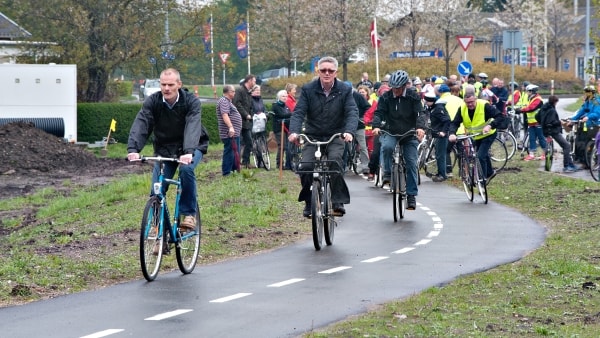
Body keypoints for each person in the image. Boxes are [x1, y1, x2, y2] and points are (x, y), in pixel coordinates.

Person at [127, 68, 208, 232]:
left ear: (179, 84)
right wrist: (133, 148)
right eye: (163, 84)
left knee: (186, 170)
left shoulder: (191, 101)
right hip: (165, 149)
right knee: (157, 189)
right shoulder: (153, 101)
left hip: (192, 146)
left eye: (170, 84)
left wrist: (188, 151)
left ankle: (188, 214)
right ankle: (158, 230)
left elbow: (193, 125)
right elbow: (142, 122)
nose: (166, 88)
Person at [288, 56, 358, 218]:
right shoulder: (308, 89)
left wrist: (349, 132)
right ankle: (308, 201)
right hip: (313, 135)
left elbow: (351, 112)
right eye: (323, 70)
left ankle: (338, 200)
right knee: (305, 166)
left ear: (336, 72)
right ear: (318, 71)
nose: (327, 73)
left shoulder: (345, 90)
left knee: (334, 162)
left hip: (336, 135)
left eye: (330, 71)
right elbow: (299, 112)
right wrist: (294, 132)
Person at [372, 69, 426, 210]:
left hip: (409, 132)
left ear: (404, 86)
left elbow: (420, 113)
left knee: (411, 162)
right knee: (387, 147)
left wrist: (420, 127)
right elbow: (379, 112)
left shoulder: (413, 96)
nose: (395, 90)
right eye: (393, 88)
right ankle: (388, 174)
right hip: (391, 130)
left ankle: (411, 195)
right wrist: (376, 126)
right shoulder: (386, 97)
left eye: (397, 88)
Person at [448, 91, 507, 182]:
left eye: (472, 102)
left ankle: (482, 180)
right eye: (468, 102)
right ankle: (490, 173)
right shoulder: (462, 108)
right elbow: (455, 123)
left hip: (488, 134)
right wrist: (452, 133)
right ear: (464, 101)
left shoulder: (484, 105)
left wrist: (490, 125)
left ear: (476, 99)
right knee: (483, 154)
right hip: (476, 136)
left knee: (480, 156)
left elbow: (500, 116)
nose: (470, 104)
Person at [535, 95, 580, 172]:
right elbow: (552, 122)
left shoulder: (544, 107)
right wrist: (560, 122)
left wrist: (542, 123)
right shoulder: (552, 110)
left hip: (545, 130)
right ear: (555, 102)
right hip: (553, 131)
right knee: (566, 146)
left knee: (564, 146)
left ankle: (571, 164)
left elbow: (537, 116)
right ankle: (567, 166)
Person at [568, 85, 600, 165]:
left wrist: (588, 117)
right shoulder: (587, 101)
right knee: (578, 141)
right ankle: (580, 159)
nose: (585, 93)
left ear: (592, 92)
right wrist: (572, 120)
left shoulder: (596, 101)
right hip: (584, 124)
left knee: (587, 143)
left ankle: (587, 162)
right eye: (585, 92)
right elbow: (581, 112)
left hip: (593, 124)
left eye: (587, 92)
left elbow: (597, 113)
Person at [424, 91, 451, 182]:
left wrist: (443, 132)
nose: (426, 103)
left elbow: (447, 120)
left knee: (440, 155)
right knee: (438, 154)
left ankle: (442, 175)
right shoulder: (432, 107)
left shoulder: (439, 109)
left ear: (431, 101)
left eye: (427, 101)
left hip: (441, 135)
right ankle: (439, 173)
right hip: (435, 133)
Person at [216, 85, 243, 176]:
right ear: (228, 92)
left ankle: (234, 169)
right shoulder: (223, 101)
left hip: (235, 133)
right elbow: (225, 115)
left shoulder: (228, 102)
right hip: (229, 133)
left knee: (235, 151)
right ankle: (226, 172)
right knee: (229, 151)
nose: (234, 93)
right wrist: (231, 127)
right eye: (233, 91)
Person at [439, 83, 464, 177]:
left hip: (449, 129)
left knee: (446, 150)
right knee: (461, 151)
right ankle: (463, 171)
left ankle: (449, 171)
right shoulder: (461, 100)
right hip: (460, 128)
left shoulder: (442, 100)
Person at [516, 84, 547, 161]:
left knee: (541, 138)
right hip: (531, 123)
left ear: (532, 91)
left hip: (537, 122)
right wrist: (520, 109)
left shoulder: (538, 99)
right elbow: (527, 107)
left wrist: (520, 110)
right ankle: (531, 154)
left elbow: (531, 108)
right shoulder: (530, 98)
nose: (526, 93)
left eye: (528, 91)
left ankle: (546, 153)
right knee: (532, 139)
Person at [233, 74, 256, 168]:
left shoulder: (248, 92)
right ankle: (236, 164)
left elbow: (249, 106)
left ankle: (245, 162)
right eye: (254, 81)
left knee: (249, 142)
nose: (255, 83)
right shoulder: (240, 90)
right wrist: (246, 114)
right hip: (239, 121)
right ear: (249, 81)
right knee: (238, 143)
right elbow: (236, 104)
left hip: (246, 123)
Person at [272, 89, 293, 170]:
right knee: (282, 146)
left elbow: (287, 114)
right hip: (279, 128)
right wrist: (291, 114)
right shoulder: (276, 105)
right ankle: (279, 164)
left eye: (286, 96)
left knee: (286, 146)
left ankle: (285, 163)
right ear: (279, 97)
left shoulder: (285, 106)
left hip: (286, 128)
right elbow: (282, 115)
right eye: (283, 96)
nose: (285, 98)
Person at [354, 85, 373, 175]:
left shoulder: (358, 97)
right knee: (342, 146)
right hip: (347, 126)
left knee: (362, 146)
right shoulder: (342, 98)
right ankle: (344, 164)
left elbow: (368, 108)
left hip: (359, 125)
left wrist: (364, 117)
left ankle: (365, 165)